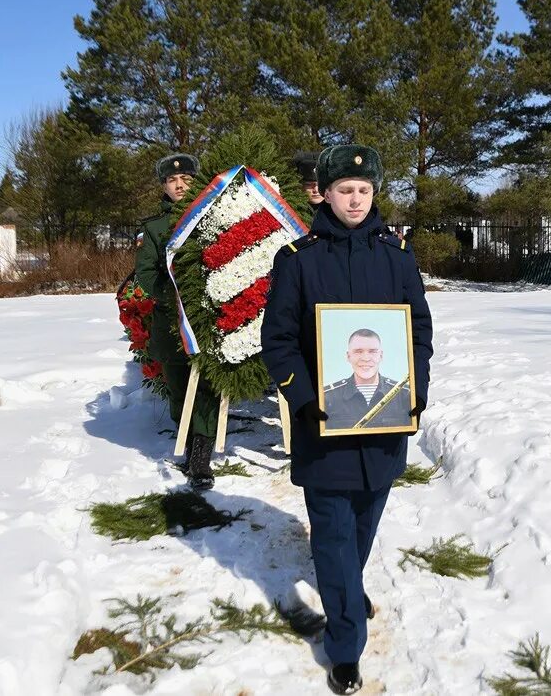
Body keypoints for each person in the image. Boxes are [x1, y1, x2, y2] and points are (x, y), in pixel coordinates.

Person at [261, 145, 433, 694]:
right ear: (325, 193)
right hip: (325, 429)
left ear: (373, 193)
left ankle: (345, 590)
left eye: (364, 190)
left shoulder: (397, 255)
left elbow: (419, 333)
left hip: (384, 423)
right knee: (333, 535)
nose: (355, 199)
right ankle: (345, 647)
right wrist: (307, 401)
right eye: (344, 190)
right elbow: (279, 340)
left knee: (364, 523)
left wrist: (415, 390)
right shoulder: (298, 259)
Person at [134, 152, 219, 491]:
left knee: (210, 382)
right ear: (164, 186)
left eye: (185, 179)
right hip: (172, 321)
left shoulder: (212, 218)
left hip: (210, 320)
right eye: (172, 181)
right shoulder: (155, 228)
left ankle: (202, 450)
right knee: (179, 382)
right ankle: (185, 435)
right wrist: (177, 300)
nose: (179, 185)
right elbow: (146, 273)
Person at [322, 329, 414, 431]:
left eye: (372, 351)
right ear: (348, 356)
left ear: (381, 356)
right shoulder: (327, 397)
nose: (366, 358)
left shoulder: (405, 395)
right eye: (358, 351)